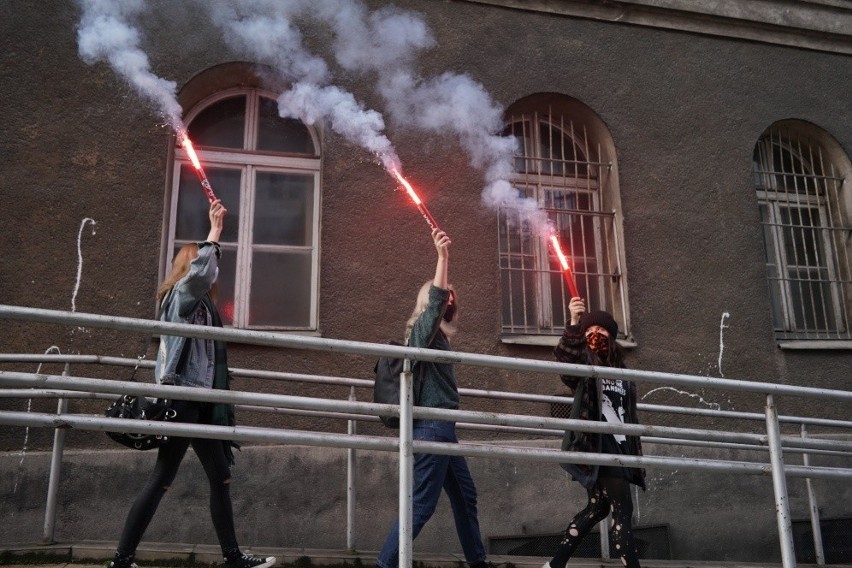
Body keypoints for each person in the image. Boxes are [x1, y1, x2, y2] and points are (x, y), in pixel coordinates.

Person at [109, 200, 275, 568]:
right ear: (189, 268)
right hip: (182, 399)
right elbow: (201, 275)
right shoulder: (181, 298)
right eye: (207, 263)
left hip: (198, 402)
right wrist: (215, 232)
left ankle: (232, 557)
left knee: (219, 476)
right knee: (163, 479)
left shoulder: (202, 307)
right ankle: (121, 559)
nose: (214, 272)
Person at [376, 228, 495, 568]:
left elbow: (441, 299)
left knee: (465, 497)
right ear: (431, 304)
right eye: (445, 297)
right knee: (421, 506)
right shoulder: (423, 331)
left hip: (444, 429)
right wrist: (443, 258)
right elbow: (437, 298)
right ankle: (386, 564)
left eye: (453, 297)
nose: (450, 300)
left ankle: (477, 561)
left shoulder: (435, 337)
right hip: (431, 428)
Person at [545, 298, 646, 568]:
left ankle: (555, 565)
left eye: (600, 331)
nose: (594, 335)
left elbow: (629, 415)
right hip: (598, 449)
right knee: (623, 511)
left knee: (598, 508)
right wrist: (574, 323)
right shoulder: (585, 364)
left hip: (621, 449)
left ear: (611, 337)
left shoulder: (623, 372)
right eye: (589, 332)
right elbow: (567, 358)